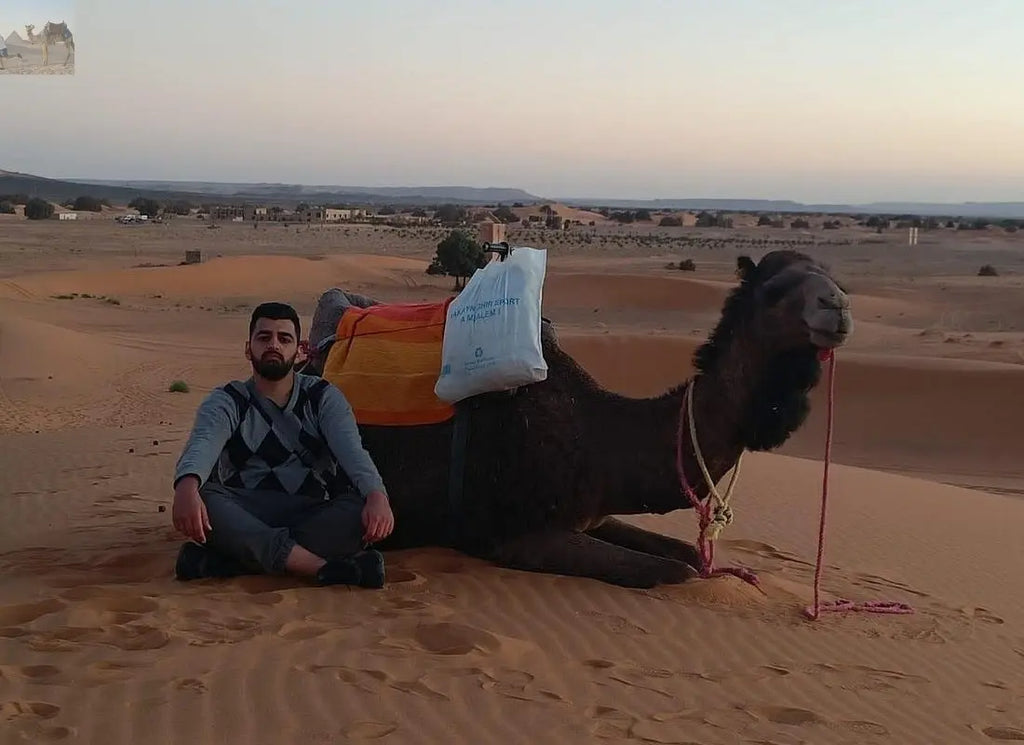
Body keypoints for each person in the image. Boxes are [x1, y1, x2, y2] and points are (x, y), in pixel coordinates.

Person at [171, 301, 394, 588]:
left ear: (299, 349)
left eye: (284, 338)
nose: (274, 344)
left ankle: (233, 561)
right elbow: (203, 443)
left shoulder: (323, 397)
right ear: (248, 348)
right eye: (264, 337)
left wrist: (377, 495)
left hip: (311, 511)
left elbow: (352, 452)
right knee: (206, 497)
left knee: (359, 508)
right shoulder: (229, 399)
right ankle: (322, 568)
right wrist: (186, 484)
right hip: (246, 508)